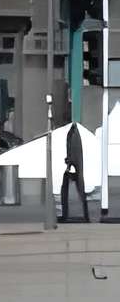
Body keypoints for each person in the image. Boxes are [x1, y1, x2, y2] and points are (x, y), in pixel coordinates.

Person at [61, 96, 90, 225]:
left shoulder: (73, 131)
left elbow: (74, 149)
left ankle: (78, 213)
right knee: (79, 188)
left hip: (76, 163)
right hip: (76, 163)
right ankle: (81, 213)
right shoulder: (74, 131)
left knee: (79, 187)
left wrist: (70, 161)